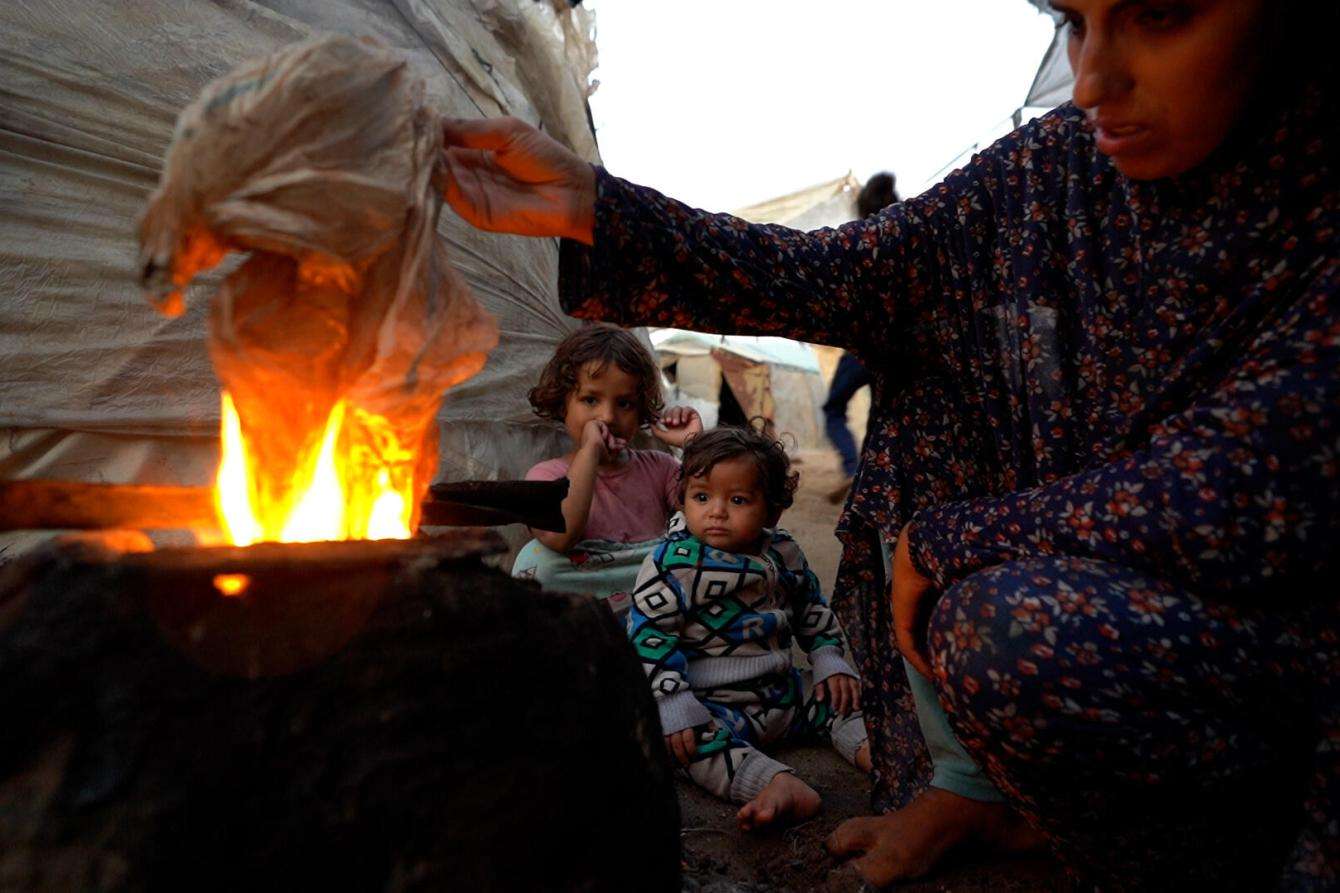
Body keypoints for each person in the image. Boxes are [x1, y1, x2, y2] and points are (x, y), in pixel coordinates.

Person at [440, 0, 1338, 885]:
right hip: (1094, 566)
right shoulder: (1049, 174)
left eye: (1164, 14)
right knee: (935, 371)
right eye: (1075, 22)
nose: (1094, 79)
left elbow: (1237, 489)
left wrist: (945, 538)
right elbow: (849, 272)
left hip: (1272, 641)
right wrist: (596, 208)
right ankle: (976, 790)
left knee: (1011, 633)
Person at [627, 426, 870, 829]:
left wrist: (828, 658)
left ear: (772, 510)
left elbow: (811, 606)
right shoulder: (671, 562)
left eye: (738, 500)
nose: (716, 511)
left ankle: (870, 750)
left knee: (844, 696)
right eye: (701, 497)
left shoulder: (784, 551)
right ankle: (771, 782)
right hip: (712, 703)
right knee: (679, 742)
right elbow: (650, 637)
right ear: (683, 497)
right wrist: (672, 701)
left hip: (785, 691)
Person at [513, 324, 702, 612]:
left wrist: (693, 446)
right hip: (589, 594)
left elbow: (709, 519)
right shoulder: (546, 476)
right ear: (563, 403)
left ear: (641, 411)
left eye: (624, 403)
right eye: (590, 400)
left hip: (651, 590)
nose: (608, 416)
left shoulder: (661, 468)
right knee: (535, 561)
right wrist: (590, 451)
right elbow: (561, 539)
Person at [822, 172, 898, 504]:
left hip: (860, 347)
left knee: (834, 408)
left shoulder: (854, 242)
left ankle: (854, 468)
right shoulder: (907, 235)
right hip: (897, 347)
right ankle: (874, 476)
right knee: (881, 414)